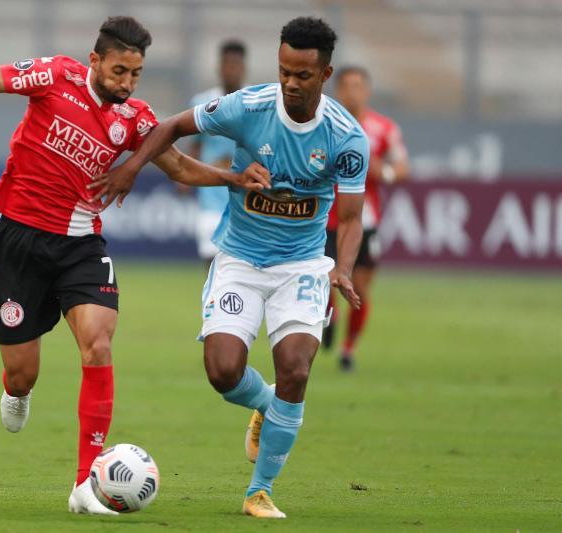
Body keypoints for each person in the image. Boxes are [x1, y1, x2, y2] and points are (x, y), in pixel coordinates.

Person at [0, 16, 269, 515]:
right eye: (119, 71)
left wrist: (232, 178)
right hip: (21, 241)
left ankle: (84, 486)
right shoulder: (54, 76)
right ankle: (15, 390)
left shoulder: (134, 118)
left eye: (135, 74)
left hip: (81, 246)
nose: (127, 83)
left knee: (98, 344)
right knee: (22, 374)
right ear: (95, 60)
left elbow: (177, 165)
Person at [90, 17, 368, 519]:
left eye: (302, 74)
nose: (289, 82)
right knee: (222, 372)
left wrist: (341, 268)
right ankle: (265, 406)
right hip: (239, 257)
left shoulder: (346, 137)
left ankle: (258, 491)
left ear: (325, 73)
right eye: (284, 70)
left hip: (302, 264)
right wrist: (132, 166)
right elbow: (172, 125)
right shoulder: (248, 107)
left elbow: (349, 218)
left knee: (297, 370)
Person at [323, 66, 410, 371]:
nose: (353, 92)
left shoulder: (384, 129)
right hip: (324, 218)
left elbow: (402, 167)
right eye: (347, 86)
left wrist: (382, 172)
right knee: (322, 282)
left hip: (363, 221)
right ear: (338, 90)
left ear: (368, 90)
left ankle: (348, 350)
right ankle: (327, 318)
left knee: (359, 286)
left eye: (359, 86)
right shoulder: (323, 124)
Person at [185, 40, 247, 266]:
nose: (231, 69)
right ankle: (210, 303)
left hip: (243, 201)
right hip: (210, 198)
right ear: (219, 67)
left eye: (236, 64)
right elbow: (195, 144)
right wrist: (184, 175)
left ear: (243, 67)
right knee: (211, 265)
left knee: (239, 266)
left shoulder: (254, 103)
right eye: (227, 63)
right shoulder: (203, 103)